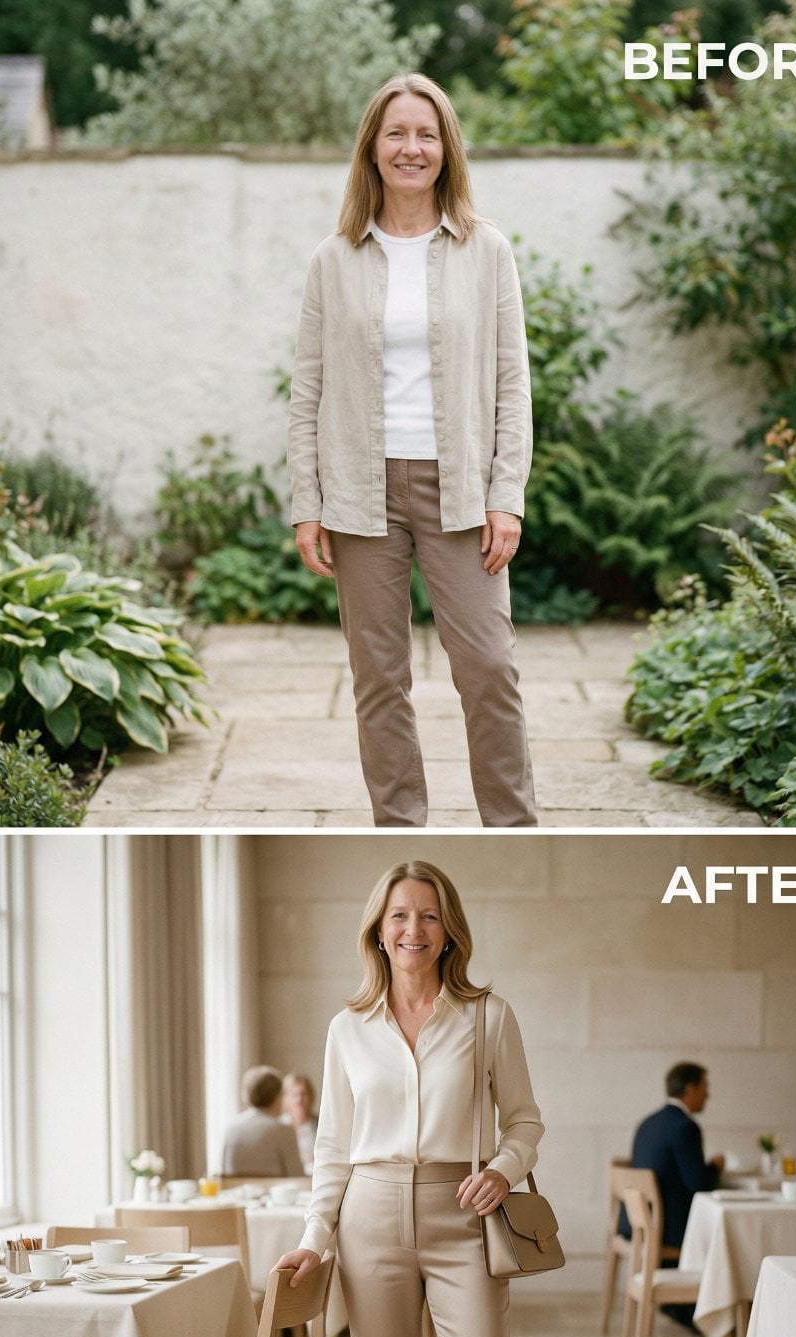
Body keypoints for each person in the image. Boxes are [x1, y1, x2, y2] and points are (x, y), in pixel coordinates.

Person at [275, 860, 560, 1337]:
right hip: (368, 1216)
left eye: (428, 916)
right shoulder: (347, 1028)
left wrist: (503, 1172)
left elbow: (526, 1122)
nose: (413, 930)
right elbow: (331, 1147)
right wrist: (313, 1238)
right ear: (378, 927)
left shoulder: (487, 1015)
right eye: (399, 915)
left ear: (449, 929)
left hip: (462, 1212)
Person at [288, 73, 537, 828]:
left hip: (459, 488)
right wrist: (309, 504)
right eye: (395, 133)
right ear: (372, 148)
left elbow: (512, 383)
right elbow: (307, 391)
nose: (411, 147)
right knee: (379, 679)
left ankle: (513, 825)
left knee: (489, 668)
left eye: (425, 134)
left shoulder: (485, 250)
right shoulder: (333, 260)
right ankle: (399, 822)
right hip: (360, 495)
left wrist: (506, 495)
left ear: (445, 149)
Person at [626, 1062, 724, 1251]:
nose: (708, 1095)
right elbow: (700, 1185)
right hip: (670, 1230)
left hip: (638, 1224)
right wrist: (715, 1167)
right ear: (690, 1088)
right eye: (705, 1087)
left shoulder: (647, 1123)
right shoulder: (685, 1127)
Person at [220, 1065, 305, 1178]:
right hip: (273, 1195)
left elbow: (225, 1174)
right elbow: (297, 1177)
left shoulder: (230, 1129)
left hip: (236, 1194)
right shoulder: (284, 1131)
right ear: (278, 1096)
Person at [281, 1071, 318, 1173]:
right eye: (294, 1095)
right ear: (285, 1098)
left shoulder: (321, 1124)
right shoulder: (278, 1126)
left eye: (304, 1094)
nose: (299, 1099)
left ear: (311, 1097)